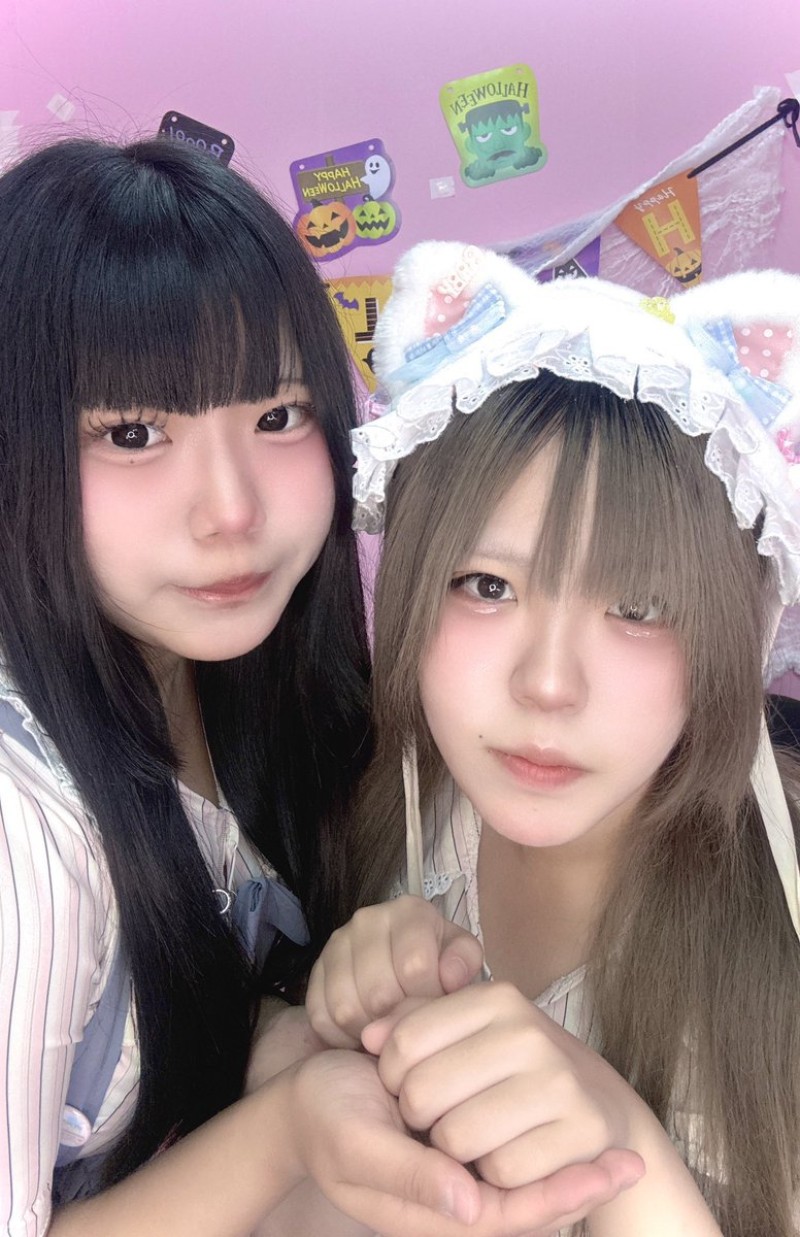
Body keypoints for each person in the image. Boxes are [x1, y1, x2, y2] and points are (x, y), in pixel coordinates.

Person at [0, 140, 641, 1237]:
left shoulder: (262, 686)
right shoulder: (25, 826)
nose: (232, 510)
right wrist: (289, 1128)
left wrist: (303, 1023)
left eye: (278, 415)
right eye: (134, 432)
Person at [306, 242, 800, 1235]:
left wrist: (624, 1147)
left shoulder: (773, 959)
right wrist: (330, 1013)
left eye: (638, 606)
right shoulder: (397, 817)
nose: (546, 684)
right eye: (487, 586)